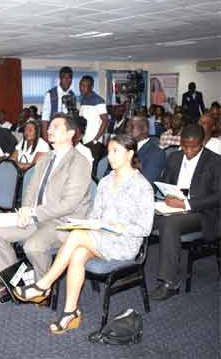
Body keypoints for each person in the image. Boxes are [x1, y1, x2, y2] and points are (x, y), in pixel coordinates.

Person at [16, 134, 154, 334]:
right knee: (78, 253)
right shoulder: (106, 182)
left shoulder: (142, 186)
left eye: (116, 151)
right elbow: (96, 214)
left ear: (130, 153)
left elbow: (144, 228)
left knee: (78, 237)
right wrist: (90, 223)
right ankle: (70, 312)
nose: (110, 157)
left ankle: (44, 285)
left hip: (124, 242)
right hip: (100, 237)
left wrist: (114, 226)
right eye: (109, 152)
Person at [0, 115, 92, 284]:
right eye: (49, 127)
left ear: (70, 133)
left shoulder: (79, 162)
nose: (49, 130)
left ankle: (42, 287)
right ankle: (13, 280)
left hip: (63, 222)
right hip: (36, 217)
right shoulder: (46, 158)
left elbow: (68, 204)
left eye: (56, 127)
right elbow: (31, 189)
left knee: (33, 246)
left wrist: (33, 213)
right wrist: (25, 211)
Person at [150, 124, 221, 300]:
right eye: (185, 146)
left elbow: (218, 196)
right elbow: (164, 182)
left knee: (170, 223)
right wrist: (165, 196)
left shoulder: (215, 162)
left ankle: (170, 282)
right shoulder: (174, 157)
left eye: (194, 147)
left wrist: (186, 204)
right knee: (143, 215)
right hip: (175, 206)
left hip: (202, 212)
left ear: (202, 143)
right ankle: (130, 264)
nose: (188, 151)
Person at [79, 75, 108, 173]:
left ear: (91, 87)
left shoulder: (98, 100)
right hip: (83, 140)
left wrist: (96, 139)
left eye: (84, 86)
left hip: (94, 142)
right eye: (81, 85)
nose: (81, 88)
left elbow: (105, 121)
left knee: (93, 170)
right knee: (84, 169)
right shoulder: (83, 100)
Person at [125, 117, 166, 184]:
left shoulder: (156, 153)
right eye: (126, 127)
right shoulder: (123, 148)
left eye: (132, 127)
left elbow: (147, 183)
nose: (127, 130)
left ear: (144, 129)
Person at [41, 66, 74, 141]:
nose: (67, 80)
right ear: (60, 78)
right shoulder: (50, 94)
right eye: (64, 78)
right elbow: (45, 116)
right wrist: (45, 135)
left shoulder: (71, 94)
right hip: (53, 130)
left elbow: (72, 116)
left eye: (69, 78)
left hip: (67, 131)